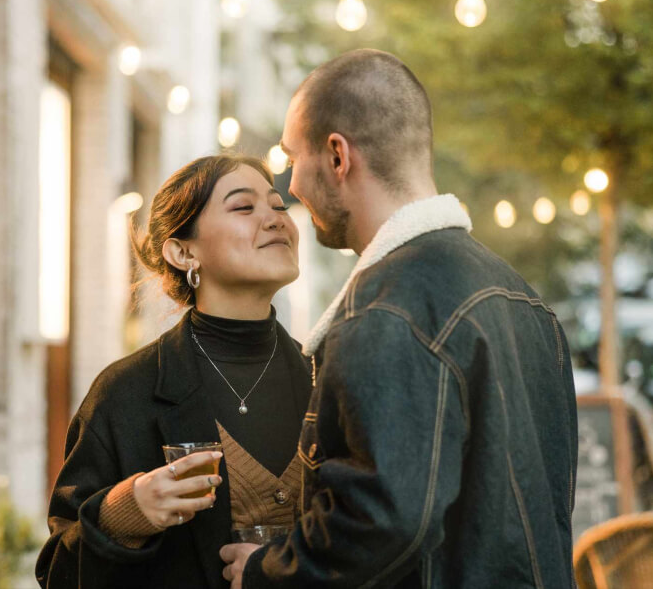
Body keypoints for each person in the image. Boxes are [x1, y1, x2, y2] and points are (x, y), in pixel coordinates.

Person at [221, 49, 578, 588]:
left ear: (338, 156)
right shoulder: (524, 299)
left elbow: (382, 520)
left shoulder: (385, 310)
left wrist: (263, 570)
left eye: (293, 158)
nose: (290, 186)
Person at [36, 155, 312, 588]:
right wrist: (125, 512)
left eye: (278, 206)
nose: (276, 220)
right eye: (244, 207)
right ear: (184, 252)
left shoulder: (329, 378)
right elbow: (58, 575)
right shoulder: (124, 393)